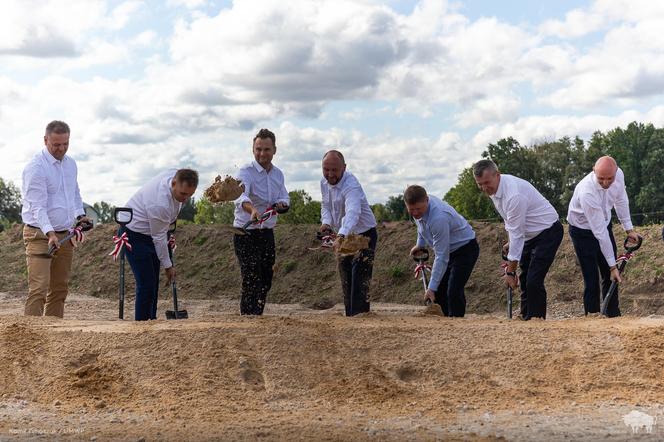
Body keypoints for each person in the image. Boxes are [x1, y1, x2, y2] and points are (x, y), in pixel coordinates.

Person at [473, 159, 563, 320]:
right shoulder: (495, 190)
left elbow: (517, 233)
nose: (484, 188)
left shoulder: (514, 195)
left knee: (533, 280)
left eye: (487, 182)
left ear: (497, 175)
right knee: (524, 278)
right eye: (480, 184)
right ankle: (525, 316)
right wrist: (511, 243)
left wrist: (510, 270)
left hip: (548, 231)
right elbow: (511, 222)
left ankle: (536, 320)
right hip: (529, 234)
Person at [21, 120, 92, 318]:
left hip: (65, 235)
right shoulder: (36, 168)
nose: (61, 149)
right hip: (39, 235)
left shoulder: (71, 164)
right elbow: (37, 207)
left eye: (65, 144)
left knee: (60, 289)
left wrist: (80, 215)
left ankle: (53, 334)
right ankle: (29, 336)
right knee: (39, 289)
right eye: (56, 145)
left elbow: (74, 193)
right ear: (45, 140)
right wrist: (50, 232)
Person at [567, 156, 640, 317]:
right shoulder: (587, 191)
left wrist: (629, 229)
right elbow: (599, 232)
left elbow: (620, 200)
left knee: (610, 277)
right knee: (591, 278)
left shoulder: (619, 175)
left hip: (604, 223)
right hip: (582, 232)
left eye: (610, 179)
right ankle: (592, 317)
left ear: (616, 171)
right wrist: (613, 266)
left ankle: (612, 315)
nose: (606, 183)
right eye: (601, 179)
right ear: (594, 171)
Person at [123, 168, 198, 320]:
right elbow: (159, 238)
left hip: (152, 231)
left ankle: (151, 320)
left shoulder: (174, 174)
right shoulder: (160, 204)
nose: (185, 199)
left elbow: (161, 234)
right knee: (146, 284)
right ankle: (142, 325)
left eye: (190, 195)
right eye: (183, 194)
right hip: (134, 235)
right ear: (174, 183)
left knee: (153, 284)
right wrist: (168, 266)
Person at [233, 128, 290, 315]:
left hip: (266, 231)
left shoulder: (278, 174)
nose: (262, 154)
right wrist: (253, 210)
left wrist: (282, 205)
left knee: (266, 277)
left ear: (274, 150)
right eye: (258, 149)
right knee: (251, 276)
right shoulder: (246, 171)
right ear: (253, 149)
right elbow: (241, 196)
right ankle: (247, 316)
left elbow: (284, 197)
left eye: (266, 149)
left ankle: (257, 314)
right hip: (245, 231)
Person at [404, 185, 479, 317]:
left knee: (453, 291)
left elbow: (441, 257)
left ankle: (456, 322)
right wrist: (420, 244)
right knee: (439, 291)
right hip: (449, 250)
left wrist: (431, 288)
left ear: (426, 200)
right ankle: (444, 323)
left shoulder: (438, 218)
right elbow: (421, 225)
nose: (415, 213)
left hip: (465, 249)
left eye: (418, 209)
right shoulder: (419, 208)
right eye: (411, 210)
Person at [320, 150, 377, 316]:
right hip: (343, 236)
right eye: (326, 169)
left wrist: (341, 235)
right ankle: (350, 319)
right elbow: (325, 205)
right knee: (346, 281)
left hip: (363, 236)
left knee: (359, 282)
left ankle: (360, 320)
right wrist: (326, 223)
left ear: (344, 168)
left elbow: (353, 212)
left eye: (334, 170)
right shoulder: (324, 183)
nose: (330, 174)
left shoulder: (351, 185)